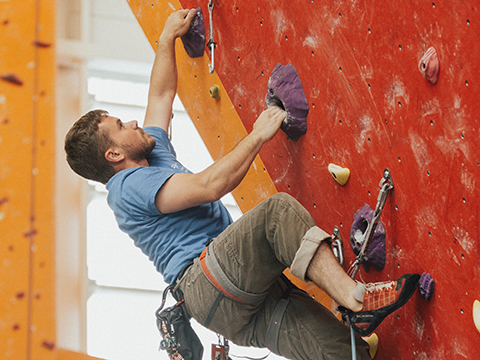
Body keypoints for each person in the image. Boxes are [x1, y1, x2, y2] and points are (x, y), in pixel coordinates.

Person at [64, 9, 420, 360]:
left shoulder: (149, 154)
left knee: (344, 353)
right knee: (276, 215)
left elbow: (160, 98)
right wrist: (258, 136)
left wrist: (166, 41)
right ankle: (357, 301)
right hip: (209, 282)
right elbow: (208, 186)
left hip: (231, 302)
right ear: (113, 155)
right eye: (120, 126)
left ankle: (354, 310)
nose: (131, 122)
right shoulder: (128, 186)